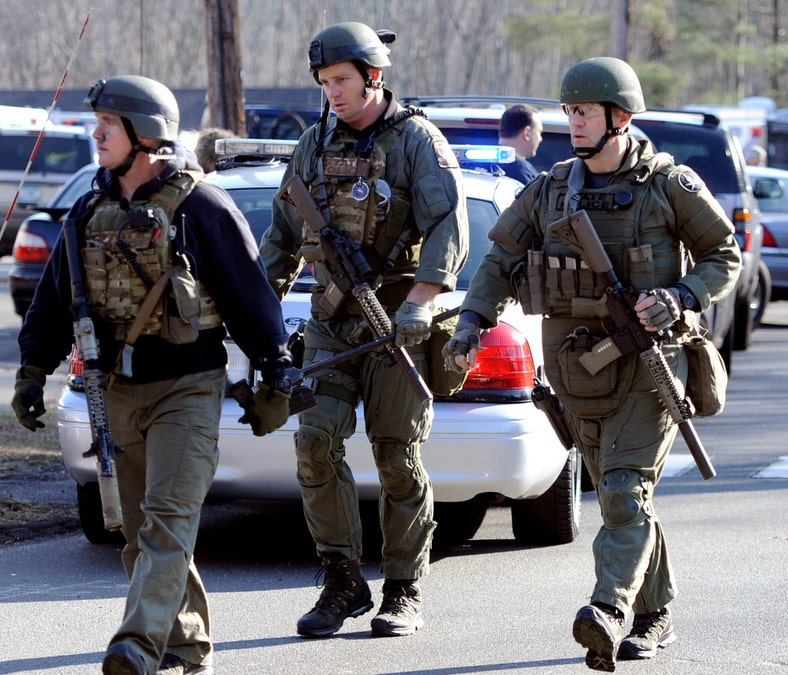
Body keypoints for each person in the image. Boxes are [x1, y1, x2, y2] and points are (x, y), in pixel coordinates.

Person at [443, 57, 740, 671]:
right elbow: (501, 258)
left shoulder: (669, 186)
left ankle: (606, 610)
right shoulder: (551, 188)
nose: (574, 122)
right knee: (619, 496)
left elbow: (723, 253)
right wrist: (472, 321)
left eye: (585, 112)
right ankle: (656, 615)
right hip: (577, 369)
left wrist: (680, 296)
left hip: (651, 364)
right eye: (570, 111)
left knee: (624, 492)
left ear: (620, 118)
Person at [11, 76, 292, 675]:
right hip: (114, 390)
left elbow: (250, 296)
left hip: (187, 387)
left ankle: (136, 644)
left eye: (108, 124)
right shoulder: (89, 210)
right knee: (139, 534)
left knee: (168, 520)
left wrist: (275, 367)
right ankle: (187, 647)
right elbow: (55, 300)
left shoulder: (201, 206)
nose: (96, 134)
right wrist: (31, 370)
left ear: (145, 134)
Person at [258, 22, 469, 639]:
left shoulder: (415, 142)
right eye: (324, 83)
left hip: (399, 325)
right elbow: (280, 238)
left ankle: (403, 590)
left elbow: (448, 227)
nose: (333, 94)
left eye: (342, 81)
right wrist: (253, 311)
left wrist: (423, 301)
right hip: (331, 322)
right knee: (314, 443)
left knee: (398, 457)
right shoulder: (312, 144)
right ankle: (341, 582)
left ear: (375, 77)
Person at [498, 103, 543, 184]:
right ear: (527, 132)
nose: (540, 139)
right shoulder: (522, 171)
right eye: (539, 132)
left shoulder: (478, 163)